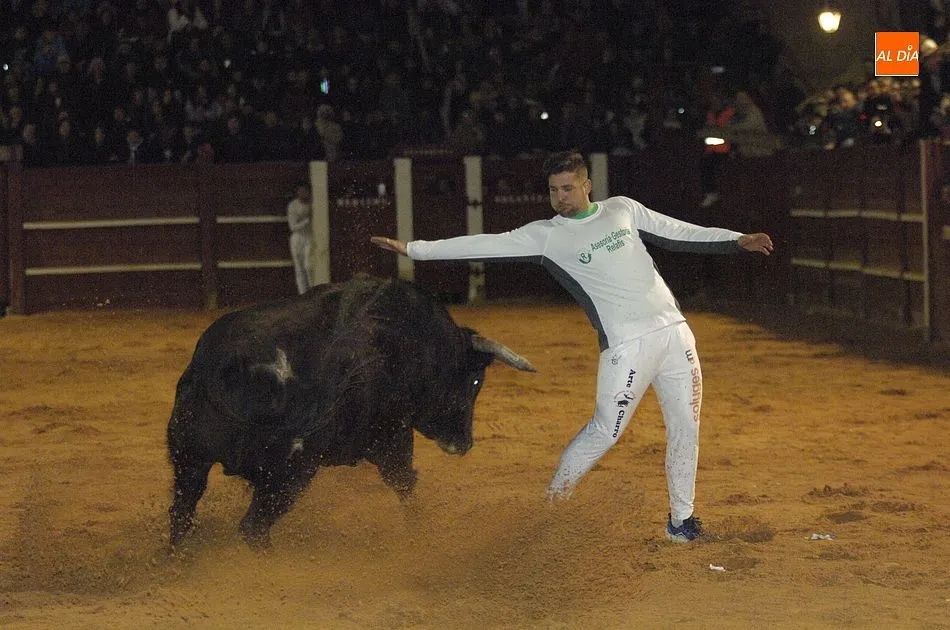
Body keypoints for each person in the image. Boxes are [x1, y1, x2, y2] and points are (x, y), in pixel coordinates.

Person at [370, 150, 773, 543]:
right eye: (553, 190)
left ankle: (682, 522)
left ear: (587, 185)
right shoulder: (547, 236)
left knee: (687, 426)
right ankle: (552, 510)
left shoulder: (623, 209)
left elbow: (679, 231)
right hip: (626, 346)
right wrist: (415, 249)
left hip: (676, 335)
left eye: (567, 188)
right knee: (605, 431)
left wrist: (737, 240)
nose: (560, 197)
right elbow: (482, 243)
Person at [287, 181, 314, 295]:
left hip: (309, 238)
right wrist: (307, 221)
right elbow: (293, 227)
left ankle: (312, 293)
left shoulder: (313, 203)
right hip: (298, 239)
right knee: (299, 269)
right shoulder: (293, 205)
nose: (303, 193)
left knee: (309, 266)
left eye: (305, 191)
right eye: (300, 191)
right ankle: (303, 295)